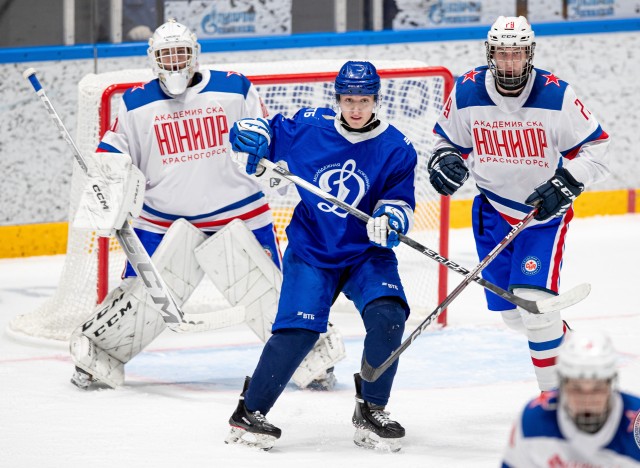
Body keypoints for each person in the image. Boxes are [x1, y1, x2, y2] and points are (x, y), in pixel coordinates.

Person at [68, 19, 343, 392]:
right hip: (161, 219)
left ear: (196, 54)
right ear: (154, 59)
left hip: (240, 212)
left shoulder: (234, 87)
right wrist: (106, 175)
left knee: (271, 294)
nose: (176, 62)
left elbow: (262, 134)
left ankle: (311, 359)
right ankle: (99, 357)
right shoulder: (135, 103)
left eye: (182, 54)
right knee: (139, 296)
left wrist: (266, 154)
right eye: (167, 55)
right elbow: (114, 150)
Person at [223, 60, 417, 452]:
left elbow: (401, 201)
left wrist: (391, 217)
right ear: (338, 99)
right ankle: (250, 412)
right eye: (348, 100)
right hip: (314, 248)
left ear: (377, 99)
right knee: (299, 330)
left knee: (389, 314)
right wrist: (251, 133)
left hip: (366, 253)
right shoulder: (311, 127)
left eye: (364, 100)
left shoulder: (397, 148)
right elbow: (262, 133)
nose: (356, 108)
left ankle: (372, 408)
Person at [427, 16, 610, 392]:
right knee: (515, 317)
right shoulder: (466, 90)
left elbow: (598, 151)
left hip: (542, 217)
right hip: (491, 213)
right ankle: (574, 355)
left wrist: (569, 180)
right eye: (502, 54)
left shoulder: (556, 95)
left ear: (530, 54)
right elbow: (447, 143)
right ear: (490, 54)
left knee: (534, 310)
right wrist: (443, 161)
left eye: (518, 53)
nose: (510, 62)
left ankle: (554, 403)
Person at [502, 329, 640, 466]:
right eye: (576, 389)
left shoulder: (636, 426)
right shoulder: (533, 421)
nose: (587, 400)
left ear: (611, 385)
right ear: (562, 386)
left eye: (597, 389)